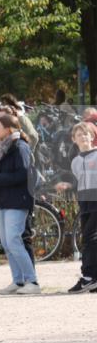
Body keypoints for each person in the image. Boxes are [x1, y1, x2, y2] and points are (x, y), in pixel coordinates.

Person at [0, 113, 39, 294]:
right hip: (3, 200)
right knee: (7, 243)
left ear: (8, 128)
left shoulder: (20, 146)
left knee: (14, 241)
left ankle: (32, 281)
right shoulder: (2, 148)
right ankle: (19, 281)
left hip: (18, 200)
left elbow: (22, 174)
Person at [56, 123, 97, 292]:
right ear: (74, 139)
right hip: (85, 202)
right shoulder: (75, 161)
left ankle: (87, 276)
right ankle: (94, 278)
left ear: (92, 137)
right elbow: (78, 183)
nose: (83, 137)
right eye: (79, 134)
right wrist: (68, 185)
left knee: (89, 238)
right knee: (89, 238)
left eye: (86, 133)